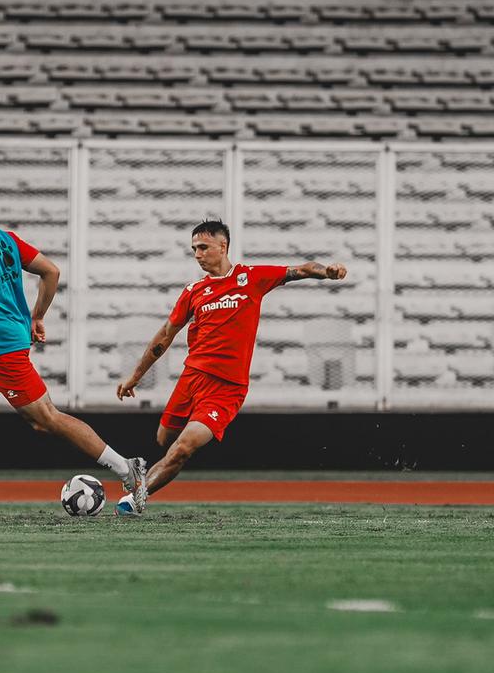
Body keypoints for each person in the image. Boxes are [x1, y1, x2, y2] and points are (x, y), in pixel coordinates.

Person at [0, 175, 146, 512]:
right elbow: (51, 271)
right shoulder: (4, 238)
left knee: (45, 418)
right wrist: (37, 316)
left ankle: (126, 467)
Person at [115, 219, 347, 515]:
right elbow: (164, 336)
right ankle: (155, 471)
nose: (197, 254)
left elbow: (301, 269)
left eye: (203, 247)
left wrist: (326, 272)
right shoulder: (193, 292)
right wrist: (135, 377)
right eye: (193, 249)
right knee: (164, 439)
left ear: (222, 246)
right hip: (191, 379)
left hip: (226, 388)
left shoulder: (251, 278)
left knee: (182, 450)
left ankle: (135, 499)